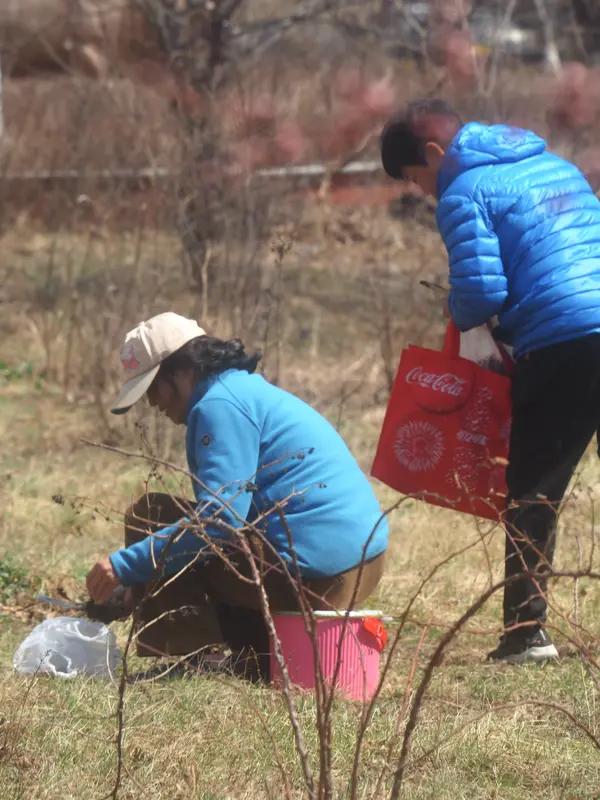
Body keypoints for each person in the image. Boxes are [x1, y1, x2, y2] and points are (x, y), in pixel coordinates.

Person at [380, 99, 600, 664]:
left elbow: (481, 292)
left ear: (433, 154)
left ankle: (526, 635)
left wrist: (458, 313)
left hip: (564, 342)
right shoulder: (557, 165)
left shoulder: (463, 192)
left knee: (532, 490)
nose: (423, 191)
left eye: (415, 178)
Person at [86, 312, 388, 678]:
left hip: (324, 575)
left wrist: (125, 567)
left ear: (181, 370)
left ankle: (192, 657)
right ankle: (255, 659)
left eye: (152, 388)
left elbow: (221, 520)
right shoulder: (238, 390)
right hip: (357, 562)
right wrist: (141, 585)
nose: (152, 403)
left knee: (153, 515)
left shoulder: (218, 407)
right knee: (188, 533)